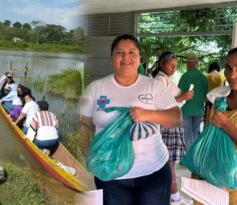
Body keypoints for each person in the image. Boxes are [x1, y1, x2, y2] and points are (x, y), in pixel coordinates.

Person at [79, 34, 181, 205]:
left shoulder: (153, 86)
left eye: (132, 52)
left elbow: (175, 118)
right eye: (119, 53)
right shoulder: (96, 88)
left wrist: (146, 114)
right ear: (112, 57)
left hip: (153, 172)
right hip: (110, 174)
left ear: (140, 57)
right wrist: (89, 157)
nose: (126, 57)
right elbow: (84, 125)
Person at [195, 48, 237, 205]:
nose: (232, 75)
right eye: (228, 68)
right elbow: (207, 135)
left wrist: (226, 124)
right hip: (211, 178)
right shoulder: (218, 98)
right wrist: (198, 167)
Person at [152, 51, 193, 204]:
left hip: (171, 122)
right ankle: (174, 196)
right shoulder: (160, 80)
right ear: (161, 64)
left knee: (168, 161)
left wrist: (183, 99)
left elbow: (172, 102)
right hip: (167, 125)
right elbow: (159, 104)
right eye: (171, 64)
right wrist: (183, 97)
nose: (174, 68)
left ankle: (169, 195)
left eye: (176, 65)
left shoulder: (166, 79)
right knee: (168, 161)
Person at [178, 53, 209, 150]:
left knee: (187, 133)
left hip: (186, 109)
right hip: (199, 109)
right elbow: (207, 96)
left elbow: (179, 94)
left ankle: (189, 156)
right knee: (195, 133)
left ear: (187, 64)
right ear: (196, 63)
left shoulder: (184, 76)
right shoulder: (203, 77)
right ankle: (194, 155)